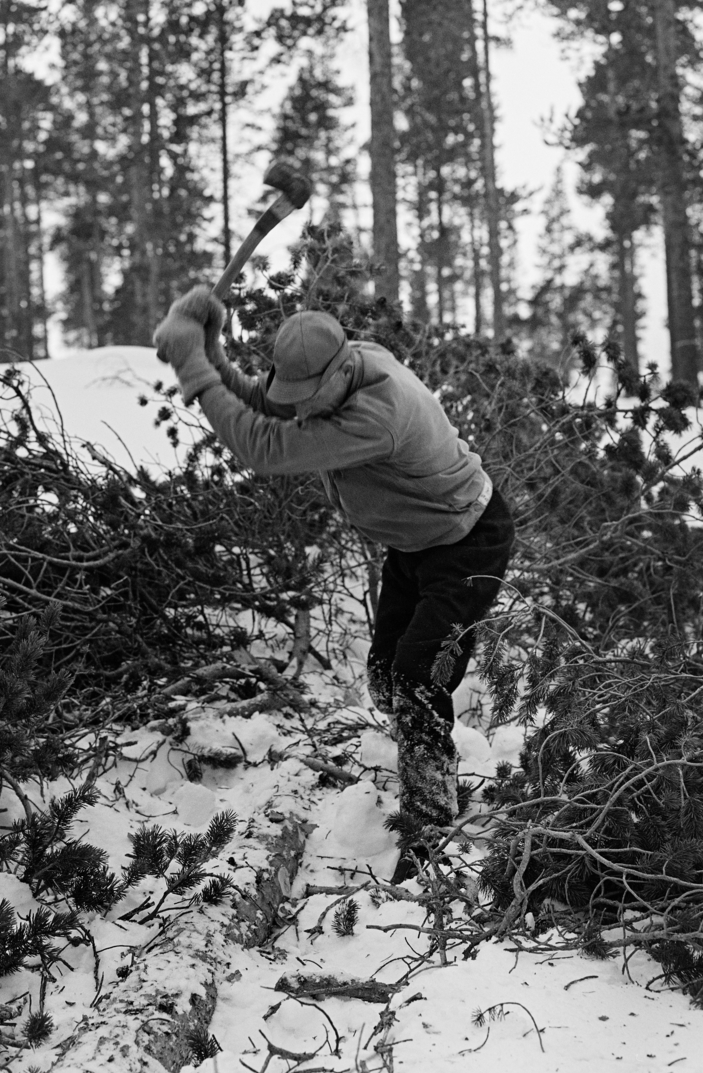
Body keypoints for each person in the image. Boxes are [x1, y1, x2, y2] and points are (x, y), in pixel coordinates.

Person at [153, 287, 515, 876]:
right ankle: (429, 766)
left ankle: (430, 827)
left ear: (342, 371)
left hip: (468, 541)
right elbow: (268, 408)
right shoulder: (344, 366)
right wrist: (211, 352)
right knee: (385, 677)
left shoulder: (380, 412)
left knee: (419, 676)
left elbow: (262, 445)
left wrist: (191, 364)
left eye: (309, 397)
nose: (301, 405)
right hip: (416, 543)